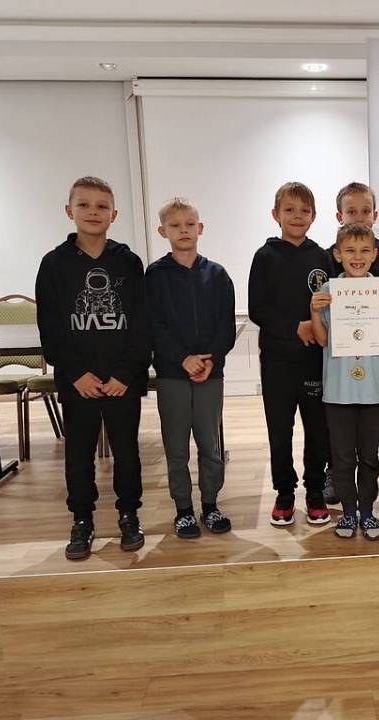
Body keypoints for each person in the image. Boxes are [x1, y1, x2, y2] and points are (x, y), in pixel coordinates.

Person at [36, 176, 150, 560]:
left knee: (126, 452)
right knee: (79, 454)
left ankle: (129, 514)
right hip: (78, 382)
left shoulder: (129, 263)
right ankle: (82, 519)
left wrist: (125, 374)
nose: (93, 212)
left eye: (102, 206)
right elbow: (51, 329)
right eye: (84, 205)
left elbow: (142, 325)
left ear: (114, 215)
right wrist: (75, 373)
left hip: (122, 381)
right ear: (69, 211)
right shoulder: (53, 265)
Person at [146, 197, 236, 539]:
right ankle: (183, 509)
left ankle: (210, 504)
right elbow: (153, 325)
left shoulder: (218, 275)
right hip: (172, 374)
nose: (183, 230)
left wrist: (210, 359)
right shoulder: (155, 276)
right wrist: (182, 358)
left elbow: (225, 326)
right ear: (163, 231)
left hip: (210, 374)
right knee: (176, 446)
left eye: (189, 224)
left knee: (210, 444)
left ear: (200, 228)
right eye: (175, 225)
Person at [311, 223, 379, 539]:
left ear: (374, 254)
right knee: (341, 457)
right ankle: (348, 513)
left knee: (368, 456)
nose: (357, 256)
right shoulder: (328, 291)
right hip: (338, 391)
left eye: (365, 250)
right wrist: (314, 312)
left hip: (374, 391)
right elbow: (322, 340)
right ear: (337, 254)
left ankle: (367, 512)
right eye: (350, 250)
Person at [323, 182, 379, 502]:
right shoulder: (330, 256)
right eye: (352, 211)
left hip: (378, 354)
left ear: (375, 215)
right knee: (340, 415)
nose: (359, 216)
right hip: (340, 358)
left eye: (365, 211)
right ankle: (334, 469)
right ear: (340, 216)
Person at [248, 181, 333, 527]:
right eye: (289, 210)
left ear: (314, 216)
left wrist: (319, 326)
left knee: (318, 430)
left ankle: (315, 491)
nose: (297, 216)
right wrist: (295, 327)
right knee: (280, 430)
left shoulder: (322, 257)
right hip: (278, 361)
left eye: (304, 211)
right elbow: (257, 308)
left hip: (315, 360)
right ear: (276, 214)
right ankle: (284, 492)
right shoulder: (265, 257)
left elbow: (334, 302)